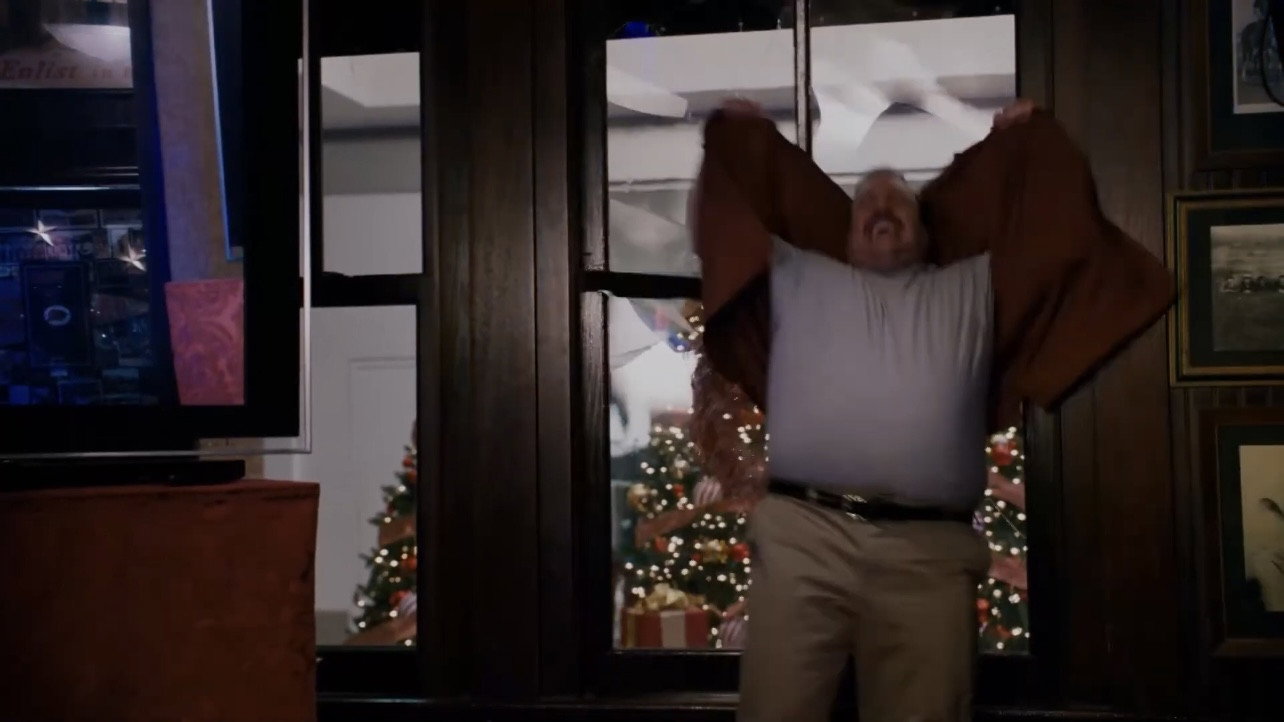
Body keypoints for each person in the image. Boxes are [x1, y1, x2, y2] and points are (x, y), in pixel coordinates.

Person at [689, 98, 1174, 721]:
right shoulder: (795, 271)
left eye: (899, 201)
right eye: (867, 200)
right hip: (804, 542)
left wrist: (1021, 144)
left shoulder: (976, 283)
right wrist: (739, 135)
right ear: (841, 230)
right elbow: (720, 222)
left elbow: (1050, 228)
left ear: (927, 229)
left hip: (930, 557)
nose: (882, 207)